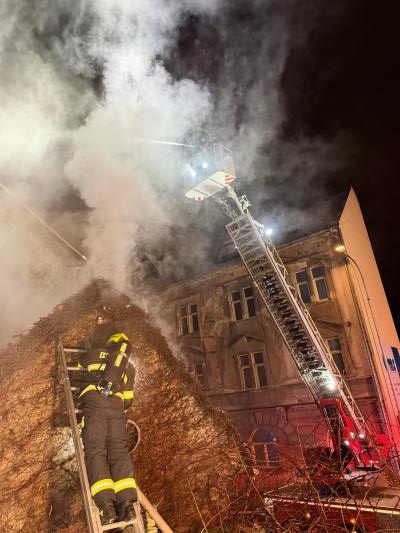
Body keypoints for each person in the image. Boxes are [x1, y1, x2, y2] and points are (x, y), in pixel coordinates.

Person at [78, 331, 137, 526]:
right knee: (119, 453)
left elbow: (79, 369)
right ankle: (127, 506)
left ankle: (107, 506)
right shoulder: (129, 368)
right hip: (117, 411)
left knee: (96, 451)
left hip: (95, 408)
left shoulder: (94, 354)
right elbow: (128, 400)